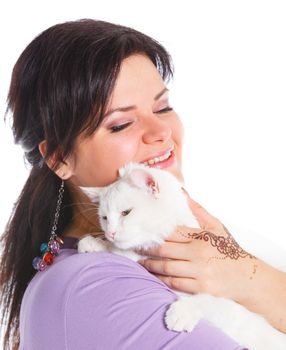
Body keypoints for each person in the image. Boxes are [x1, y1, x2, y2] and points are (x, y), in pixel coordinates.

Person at [0, 19, 284, 350]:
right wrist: (253, 280)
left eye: (163, 107)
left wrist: (246, 277)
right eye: (120, 125)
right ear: (61, 158)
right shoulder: (96, 285)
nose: (161, 131)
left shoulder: (177, 253)